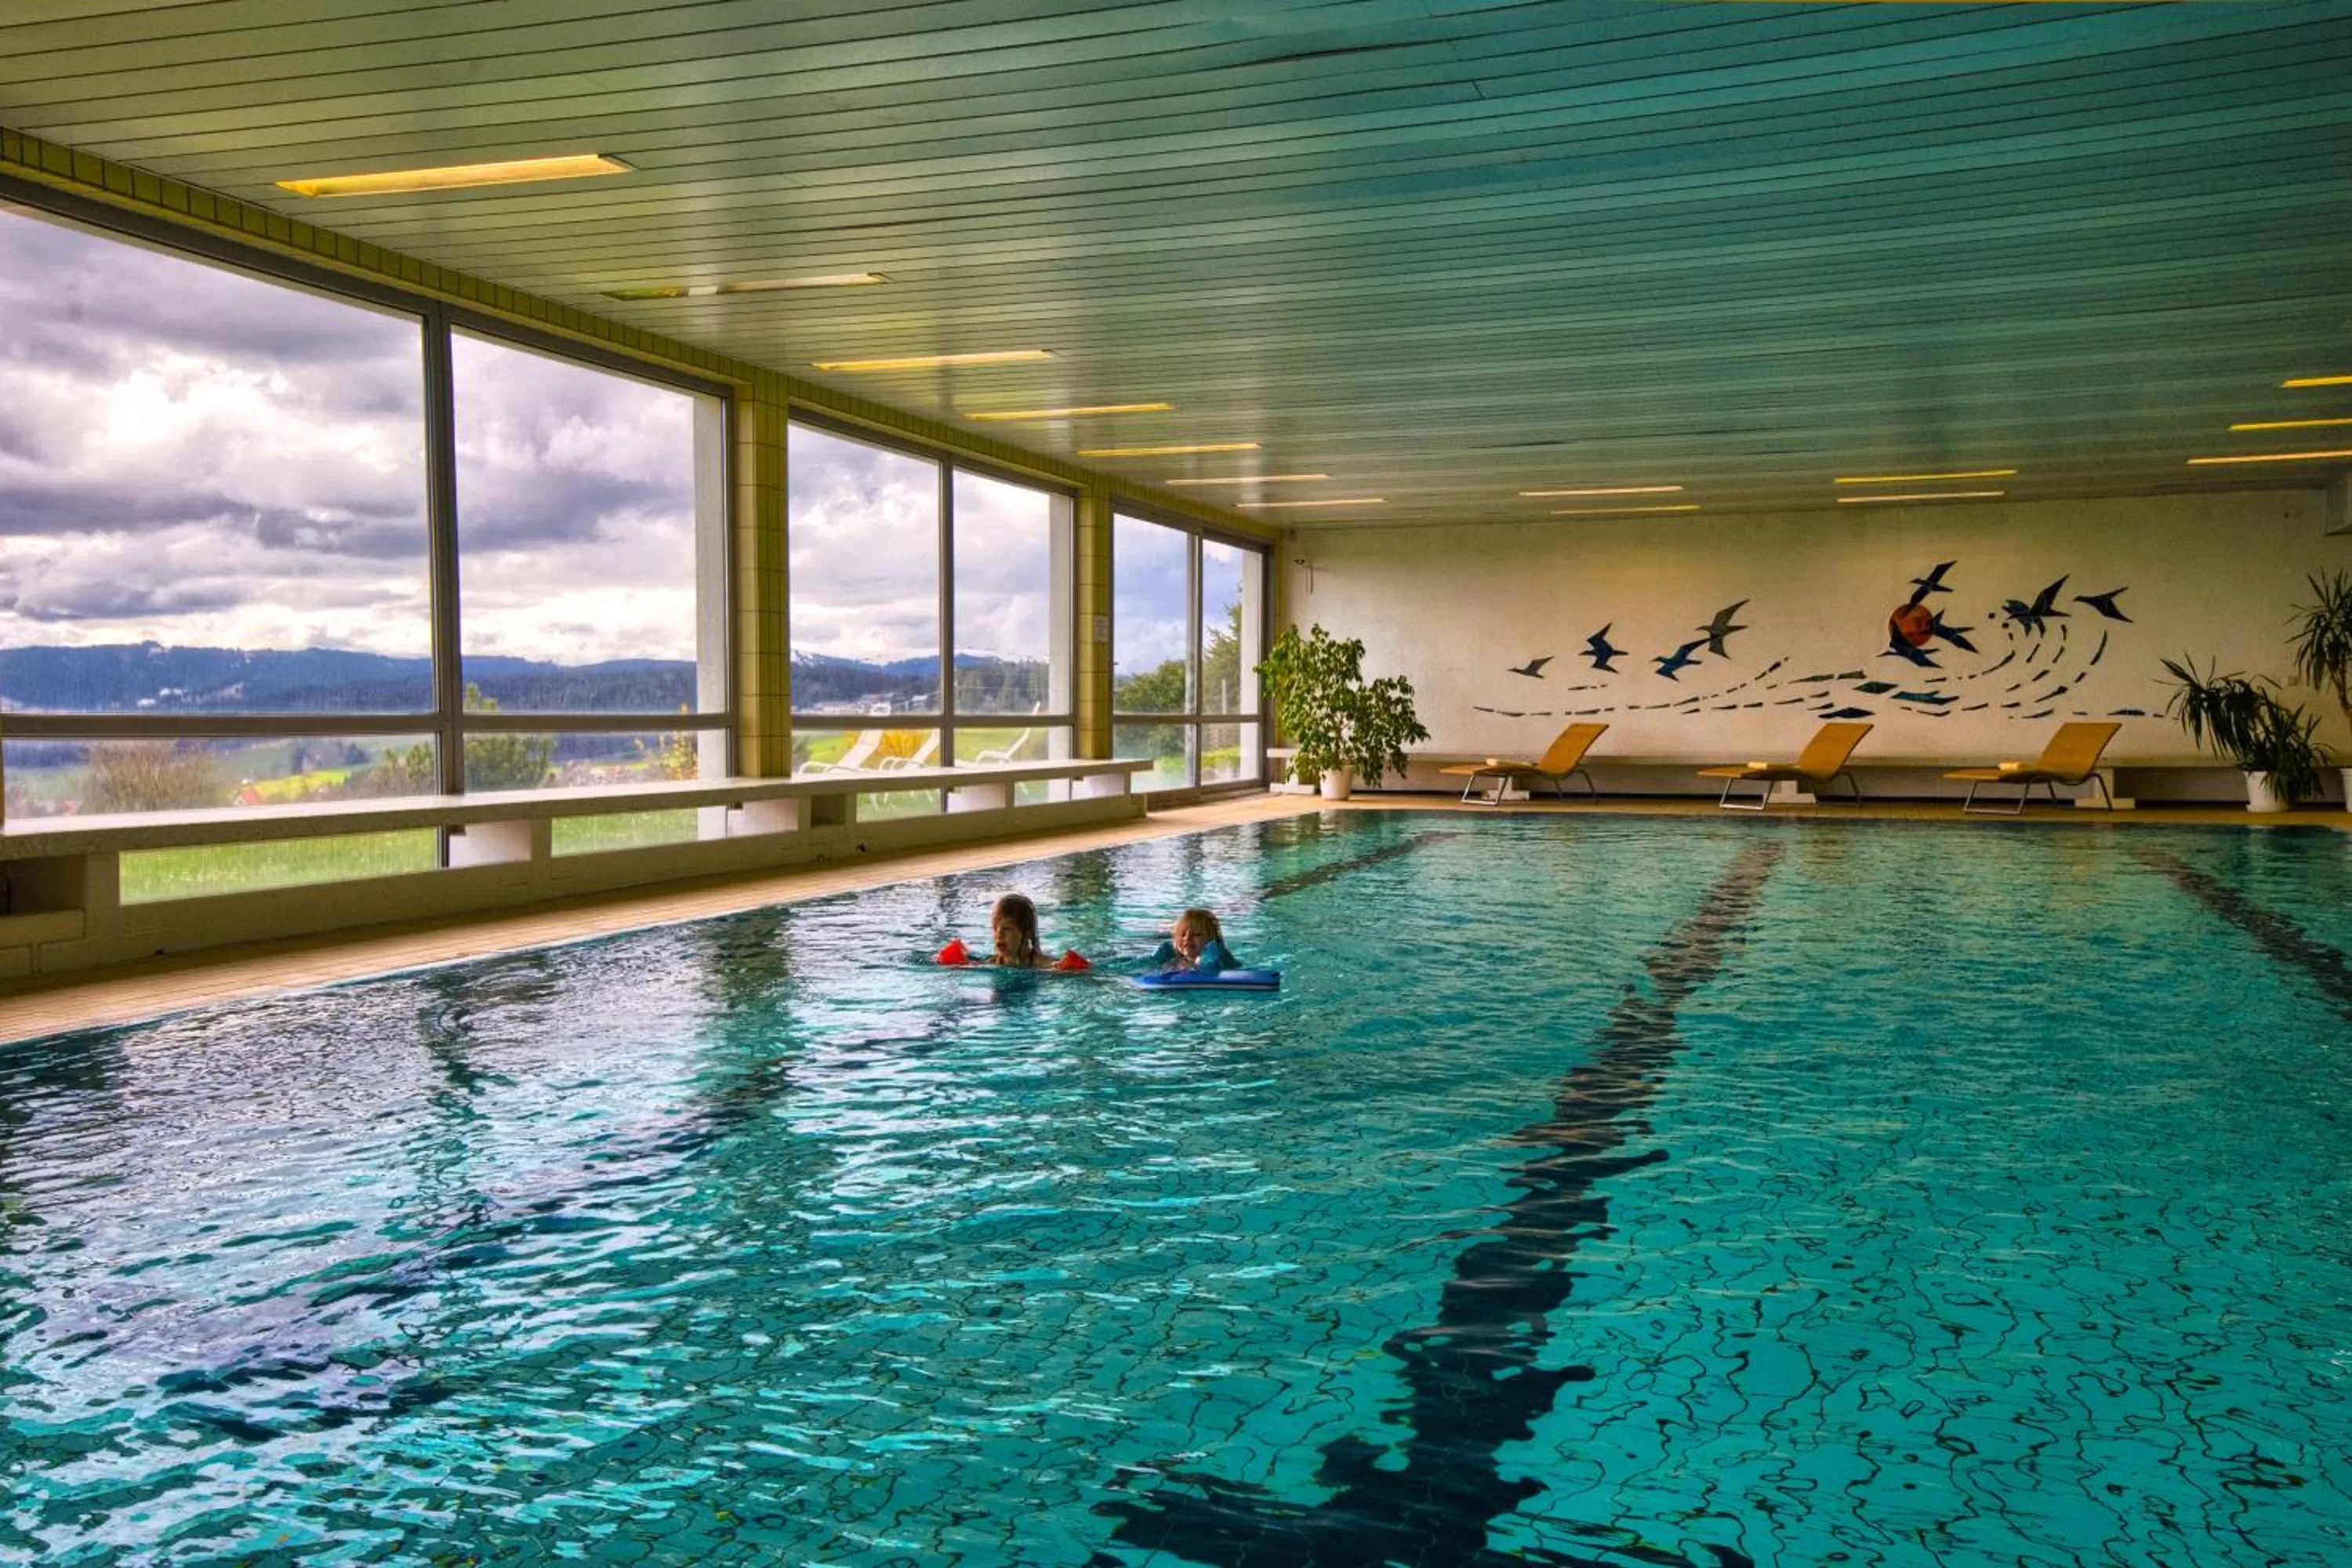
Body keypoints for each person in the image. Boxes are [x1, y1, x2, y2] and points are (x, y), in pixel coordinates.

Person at [937, 893, 1089, 970]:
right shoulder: (992, 963)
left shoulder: (1040, 962)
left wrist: (1065, 967)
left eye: (1008, 929)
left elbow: (1058, 966)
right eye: (996, 928)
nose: (1000, 934)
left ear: (1027, 932)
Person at [1146, 907, 1240, 974]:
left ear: (1212, 939)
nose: (1187, 938)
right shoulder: (1173, 959)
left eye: (1196, 934)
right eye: (1182, 935)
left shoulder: (1217, 956)